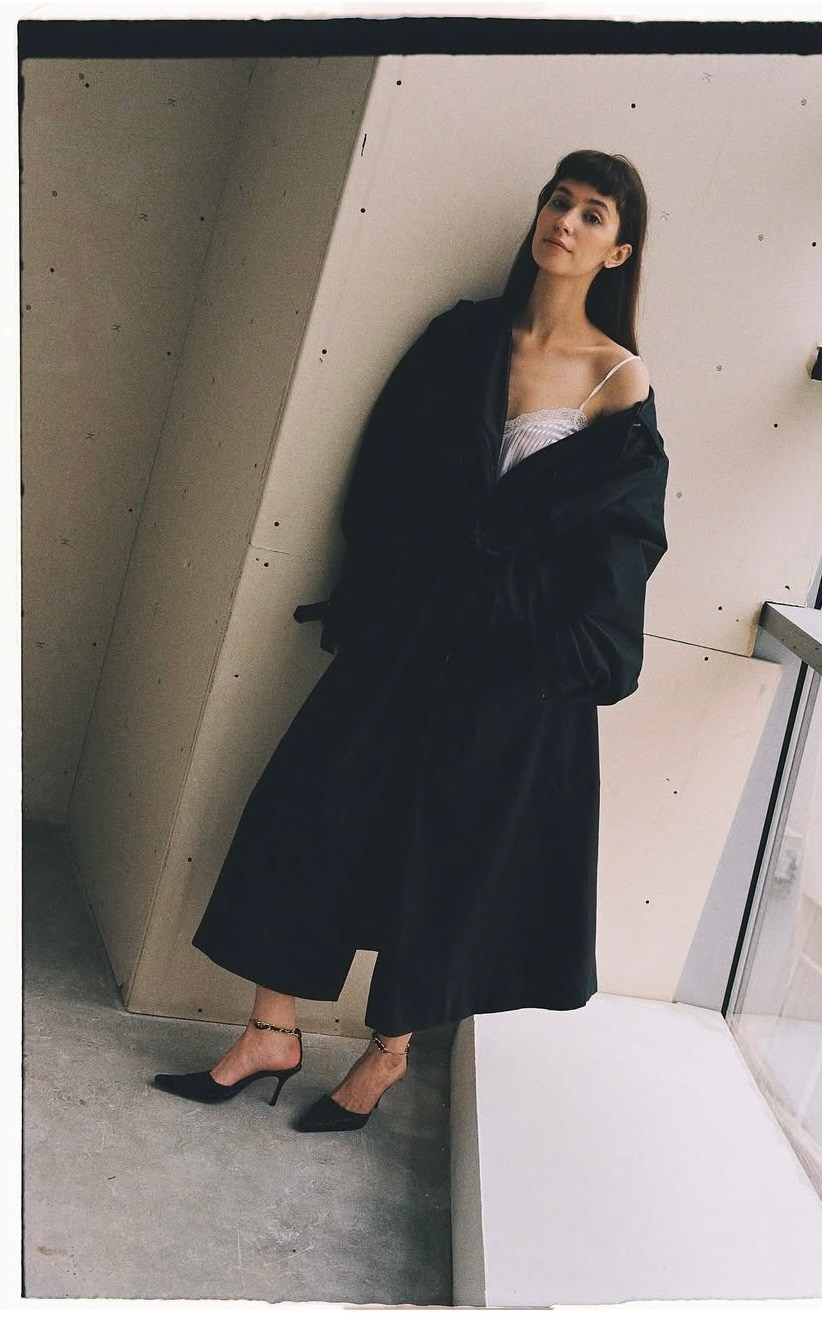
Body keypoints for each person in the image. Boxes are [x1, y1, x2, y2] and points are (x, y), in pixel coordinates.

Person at [154, 149, 669, 1134]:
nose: (564, 221)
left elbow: (619, 543)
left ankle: (386, 1053)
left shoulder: (617, 377)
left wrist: (541, 627)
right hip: (411, 629)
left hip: (511, 664)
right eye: (557, 199)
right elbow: (385, 470)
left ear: (618, 251)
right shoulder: (463, 337)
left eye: (592, 214)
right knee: (308, 809)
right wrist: (388, 586)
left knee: (445, 858)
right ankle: (270, 1030)